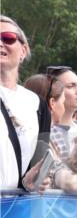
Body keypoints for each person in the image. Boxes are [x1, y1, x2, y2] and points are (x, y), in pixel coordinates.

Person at [1, 15, 40, 190]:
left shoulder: (35, 102)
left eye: (8, 38)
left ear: (23, 51)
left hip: (12, 209)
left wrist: (30, 181)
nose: (1, 43)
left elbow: (38, 159)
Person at [23, 73, 69, 158]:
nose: (64, 108)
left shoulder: (20, 133)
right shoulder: (53, 137)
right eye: (63, 102)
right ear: (52, 103)